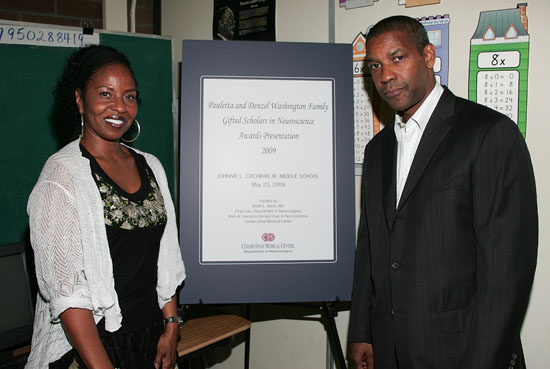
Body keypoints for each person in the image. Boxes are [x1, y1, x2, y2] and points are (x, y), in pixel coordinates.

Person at [349, 16, 538, 369]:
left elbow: (507, 274)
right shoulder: (376, 151)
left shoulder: (489, 134)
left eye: (397, 58)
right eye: (375, 65)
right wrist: (362, 330)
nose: (385, 75)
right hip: (389, 349)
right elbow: (370, 248)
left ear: (429, 55)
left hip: (463, 352)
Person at [26, 45, 186, 369]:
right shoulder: (61, 177)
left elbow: (165, 257)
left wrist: (171, 325)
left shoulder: (151, 166)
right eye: (105, 93)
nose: (120, 107)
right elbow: (69, 300)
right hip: (94, 350)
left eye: (129, 96)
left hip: (152, 338)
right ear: (80, 100)